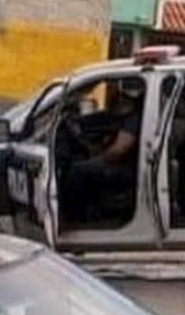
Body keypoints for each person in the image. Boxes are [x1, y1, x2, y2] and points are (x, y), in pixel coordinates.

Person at [61, 80, 143, 224]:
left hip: (130, 169)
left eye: (121, 98)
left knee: (77, 171)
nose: (117, 101)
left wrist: (97, 157)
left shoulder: (135, 117)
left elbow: (118, 151)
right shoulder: (129, 116)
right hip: (131, 165)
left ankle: (74, 219)